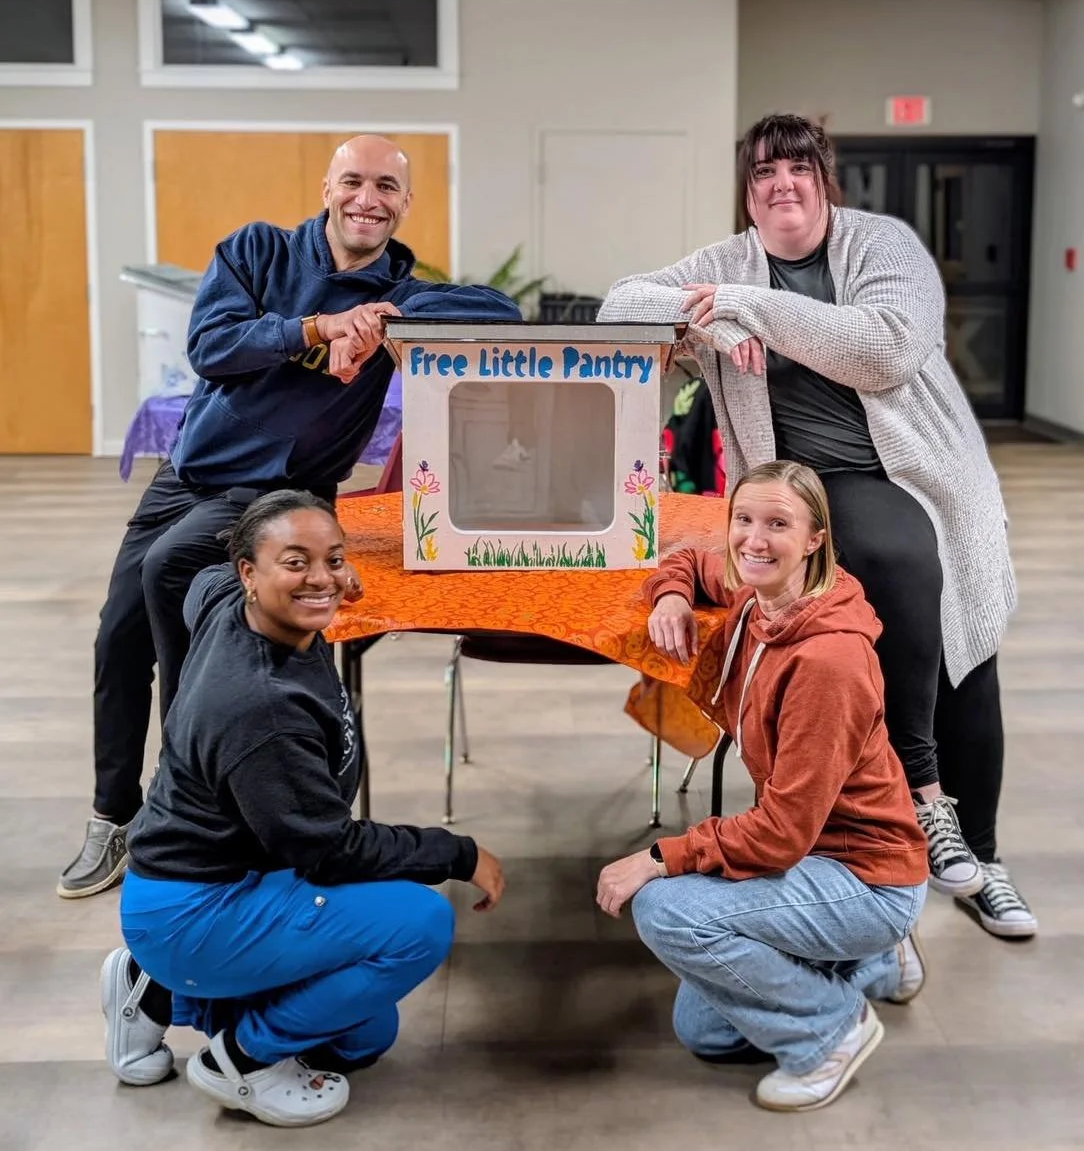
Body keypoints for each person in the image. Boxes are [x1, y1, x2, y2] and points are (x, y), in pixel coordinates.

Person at [598, 112, 1036, 938]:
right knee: (878, 594)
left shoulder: (881, 247)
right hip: (804, 487)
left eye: (798, 168)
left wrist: (745, 306)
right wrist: (714, 318)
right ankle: (902, 826)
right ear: (748, 192)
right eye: (764, 173)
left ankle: (974, 850)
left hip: (920, 475)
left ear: (825, 180)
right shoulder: (726, 263)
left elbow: (883, 350)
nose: (782, 185)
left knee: (962, 653)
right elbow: (618, 305)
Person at [59, 135, 521, 900]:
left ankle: (185, 807)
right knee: (118, 638)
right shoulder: (257, 251)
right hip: (188, 478)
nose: (368, 199)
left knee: (186, 608)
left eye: (386, 187)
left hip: (279, 495)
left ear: (406, 204)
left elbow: (500, 310)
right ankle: (114, 814)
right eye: (354, 181)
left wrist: (385, 314)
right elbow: (213, 346)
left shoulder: (401, 288)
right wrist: (318, 328)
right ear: (327, 189)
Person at [100, 490, 505, 1128]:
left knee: (359, 1038)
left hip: (226, 878)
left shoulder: (227, 602)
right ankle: (241, 1060)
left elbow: (199, 576)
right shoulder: (262, 708)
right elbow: (327, 850)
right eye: (296, 562)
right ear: (249, 573)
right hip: (196, 906)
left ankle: (156, 991)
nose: (322, 579)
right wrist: (456, 853)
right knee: (420, 924)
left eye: (333, 559)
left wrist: (317, 574)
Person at [596, 460, 928, 1113]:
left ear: (815, 539)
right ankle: (877, 964)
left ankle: (832, 1032)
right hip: (815, 856)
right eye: (743, 520)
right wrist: (670, 596)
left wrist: (661, 856)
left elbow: (779, 835)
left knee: (664, 910)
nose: (754, 540)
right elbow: (689, 563)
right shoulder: (759, 591)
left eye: (778, 524)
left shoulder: (828, 662)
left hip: (865, 875)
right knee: (706, 1031)